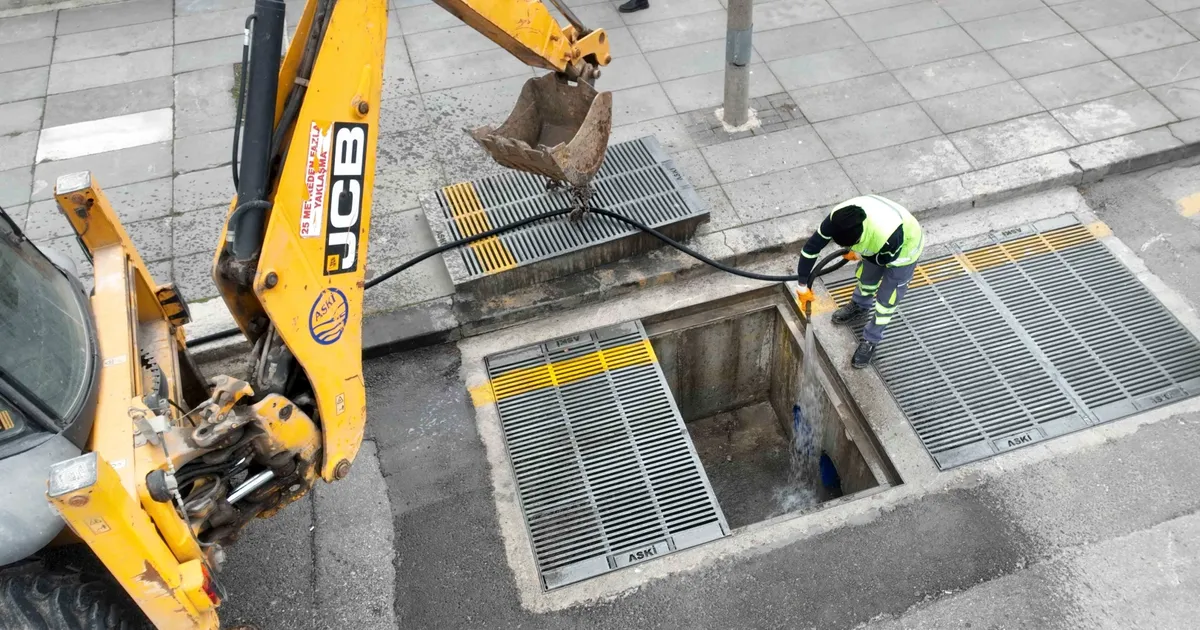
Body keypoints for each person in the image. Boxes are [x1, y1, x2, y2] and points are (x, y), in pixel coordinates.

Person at [795, 195, 924, 369]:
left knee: (887, 299)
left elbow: (884, 258)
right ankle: (860, 305)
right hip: (877, 240)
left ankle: (872, 339)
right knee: (866, 278)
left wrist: (860, 254)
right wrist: (802, 285)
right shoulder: (837, 218)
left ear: (861, 236)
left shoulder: (887, 236)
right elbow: (811, 249)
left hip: (904, 250)